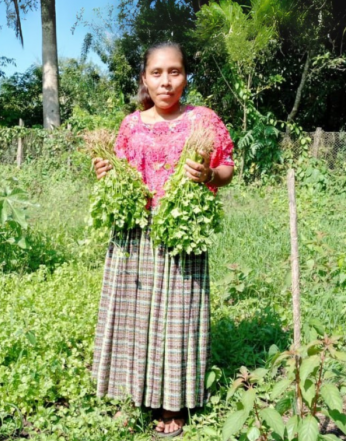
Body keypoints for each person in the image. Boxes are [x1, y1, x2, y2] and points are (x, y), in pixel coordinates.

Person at [91, 41, 235, 437]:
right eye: (157, 73)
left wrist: (208, 176)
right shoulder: (131, 124)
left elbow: (226, 167)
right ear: (144, 79)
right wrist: (106, 172)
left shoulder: (203, 119)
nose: (166, 81)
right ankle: (129, 394)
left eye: (174, 72)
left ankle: (173, 403)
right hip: (134, 232)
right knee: (130, 315)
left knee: (178, 315)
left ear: (186, 77)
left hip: (181, 233)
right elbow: (120, 171)